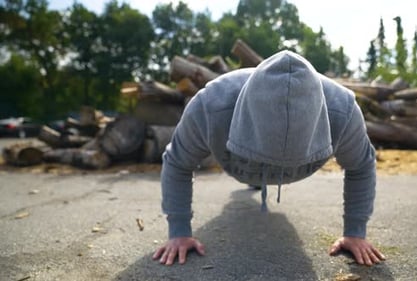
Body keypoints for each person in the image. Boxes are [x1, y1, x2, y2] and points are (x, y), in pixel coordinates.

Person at [152, 50, 386, 266]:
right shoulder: (209, 108)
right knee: (246, 188)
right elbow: (177, 162)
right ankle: (254, 180)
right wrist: (179, 232)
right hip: (237, 165)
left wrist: (355, 232)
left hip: (262, 163)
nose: (276, 160)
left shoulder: (343, 112)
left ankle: (257, 177)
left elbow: (361, 165)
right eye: (266, 155)